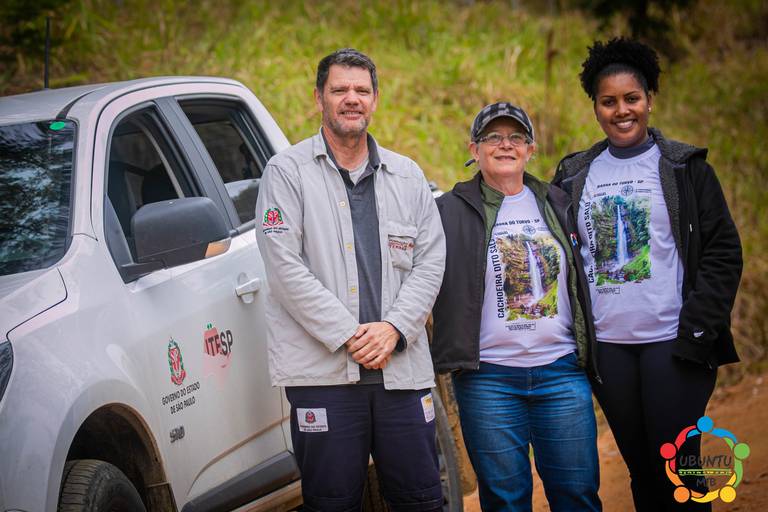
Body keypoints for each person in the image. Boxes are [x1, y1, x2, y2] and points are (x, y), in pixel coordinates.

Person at [552, 38, 743, 511]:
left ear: (649, 99)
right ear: (595, 107)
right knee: (641, 467)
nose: (622, 111)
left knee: (677, 464)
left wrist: (699, 327)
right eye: (609, 101)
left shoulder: (684, 168)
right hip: (609, 349)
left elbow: (723, 251)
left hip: (672, 343)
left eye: (631, 98)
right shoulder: (574, 175)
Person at [254, 48, 446, 512]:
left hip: (400, 372)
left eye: (361, 90)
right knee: (332, 503)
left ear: (375, 99)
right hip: (323, 375)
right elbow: (284, 268)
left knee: (421, 500)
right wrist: (350, 335)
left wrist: (394, 328)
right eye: (339, 89)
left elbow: (431, 261)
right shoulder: (286, 173)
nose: (351, 99)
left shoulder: (407, 176)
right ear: (318, 97)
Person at [431, 102, 601, 511]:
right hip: (488, 380)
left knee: (577, 496)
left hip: (561, 372)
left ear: (531, 149)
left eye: (516, 137)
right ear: (474, 150)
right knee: (505, 502)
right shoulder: (447, 212)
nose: (505, 145)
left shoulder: (559, 203)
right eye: (493, 137)